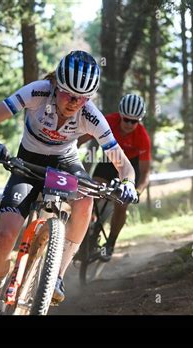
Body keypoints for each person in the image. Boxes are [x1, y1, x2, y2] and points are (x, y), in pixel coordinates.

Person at [0, 51, 138, 315]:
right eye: (69, 95)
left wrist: (129, 183)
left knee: (86, 199)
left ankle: (57, 276)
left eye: (82, 97)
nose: (75, 102)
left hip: (65, 162)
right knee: (6, 235)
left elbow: (124, 165)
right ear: (56, 86)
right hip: (28, 161)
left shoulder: (91, 115)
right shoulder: (38, 92)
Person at [78, 94, 151, 262]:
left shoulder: (142, 137)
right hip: (109, 161)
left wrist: (138, 191)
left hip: (130, 165)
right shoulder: (109, 121)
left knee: (122, 203)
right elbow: (82, 138)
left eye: (134, 121)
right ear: (120, 115)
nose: (129, 124)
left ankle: (110, 244)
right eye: (126, 119)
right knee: (91, 193)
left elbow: (145, 172)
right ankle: (88, 231)